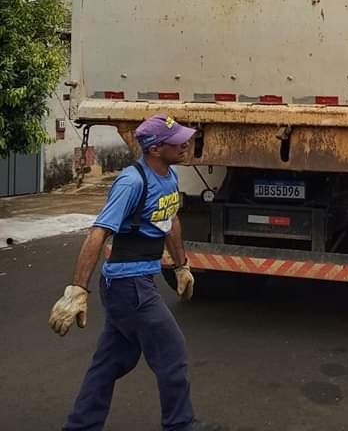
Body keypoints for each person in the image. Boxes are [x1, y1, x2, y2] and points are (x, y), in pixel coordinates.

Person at [48, 114, 222, 431]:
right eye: (178, 141)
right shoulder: (131, 182)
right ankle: (180, 424)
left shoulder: (168, 176)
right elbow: (98, 232)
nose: (186, 144)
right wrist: (77, 290)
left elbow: (170, 219)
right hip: (129, 286)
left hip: (136, 283)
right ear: (155, 148)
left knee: (112, 361)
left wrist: (181, 265)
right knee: (172, 353)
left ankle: (81, 425)